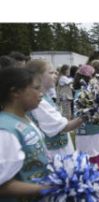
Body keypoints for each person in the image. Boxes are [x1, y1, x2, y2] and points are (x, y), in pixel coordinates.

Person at [0, 67, 49, 201]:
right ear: (15, 92)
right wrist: (46, 189)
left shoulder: (25, 117)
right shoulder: (5, 131)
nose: (41, 93)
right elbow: (2, 185)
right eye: (36, 88)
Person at [26, 60, 84, 158]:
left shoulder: (44, 96)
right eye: (51, 73)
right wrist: (88, 114)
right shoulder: (39, 102)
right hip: (55, 154)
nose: (56, 75)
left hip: (59, 150)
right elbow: (64, 127)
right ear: (37, 76)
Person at [73, 64, 99, 175]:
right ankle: (96, 178)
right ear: (89, 78)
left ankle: (91, 177)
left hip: (83, 132)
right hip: (92, 131)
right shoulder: (86, 93)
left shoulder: (79, 91)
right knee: (95, 155)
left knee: (88, 156)